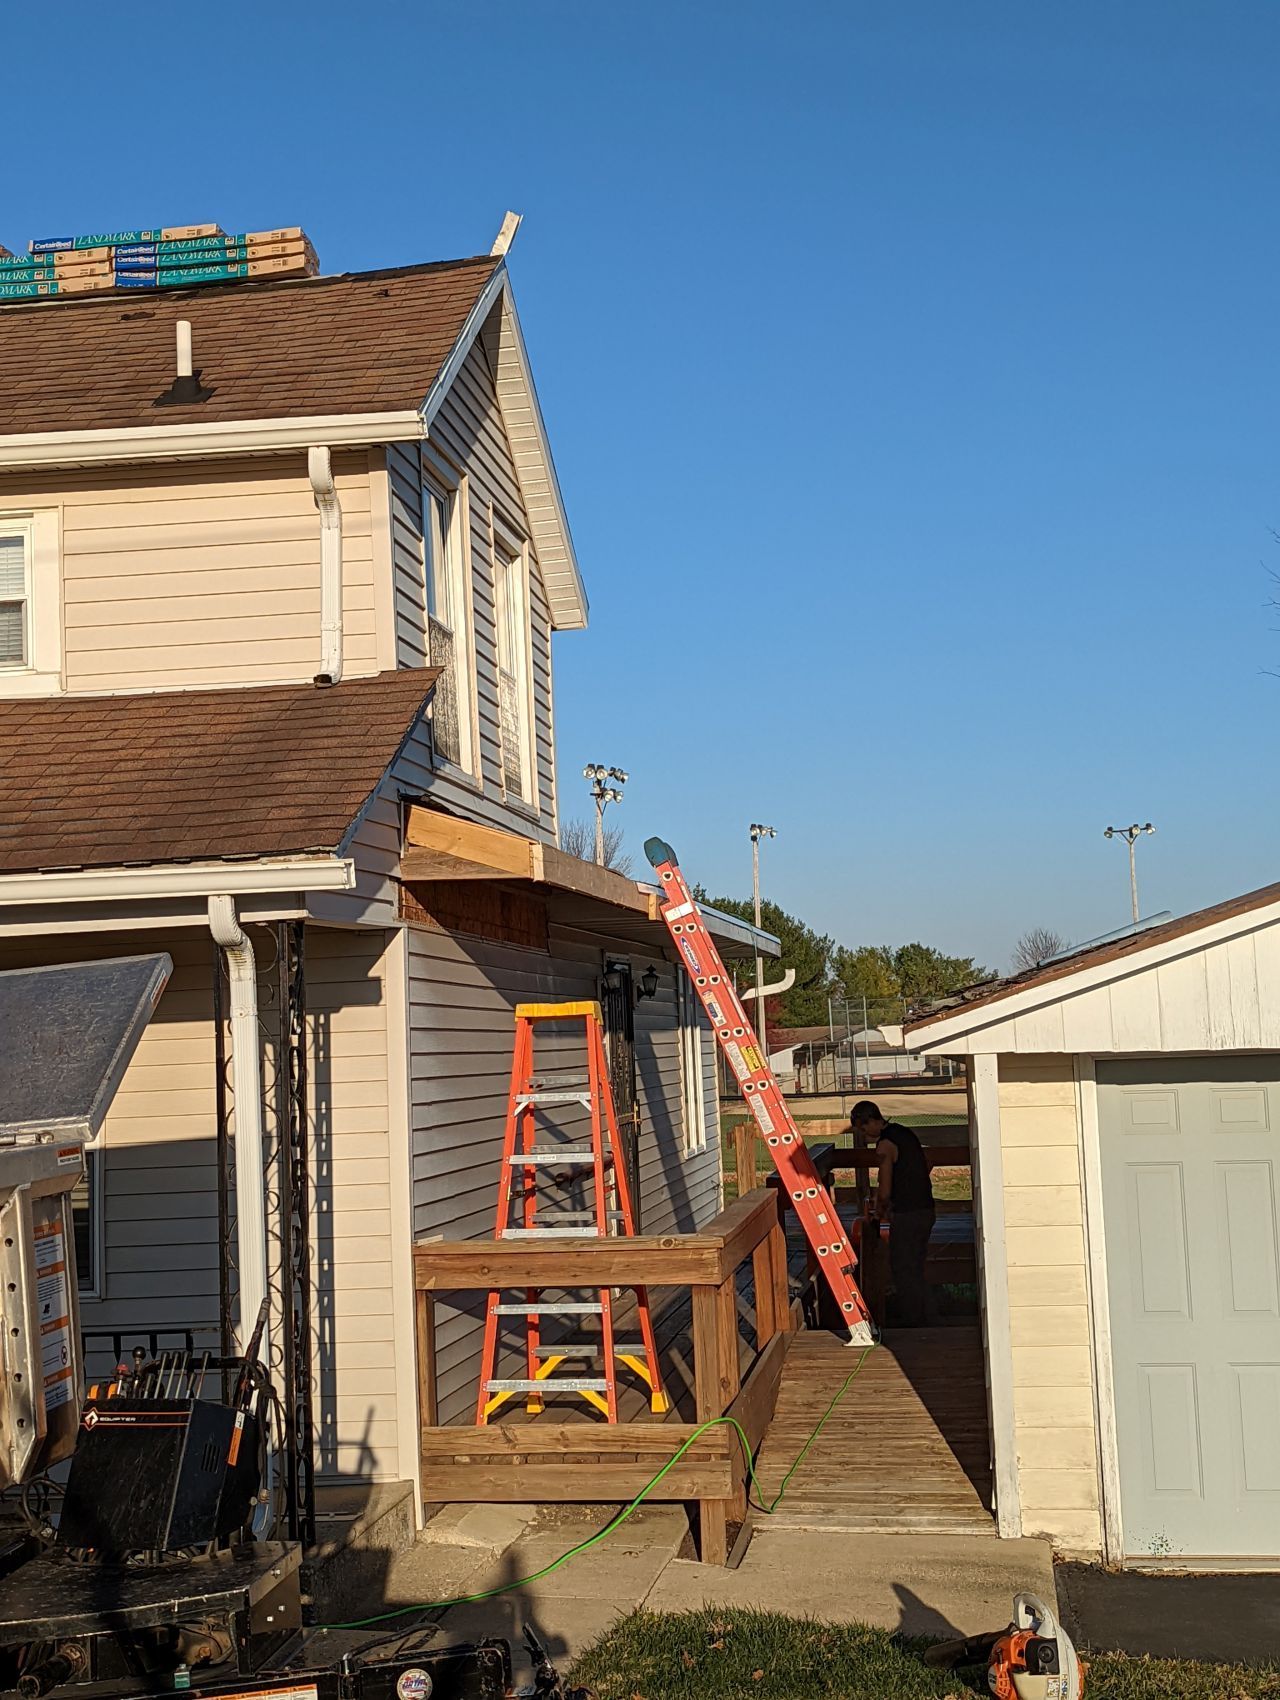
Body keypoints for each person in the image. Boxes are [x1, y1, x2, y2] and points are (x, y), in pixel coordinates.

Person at [850, 1100, 935, 1327]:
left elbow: (885, 1189)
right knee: (917, 1265)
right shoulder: (905, 1133)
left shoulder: (885, 1145)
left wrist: (878, 1210)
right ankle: (926, 1316)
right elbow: (928, 1163)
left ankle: (912, 1322)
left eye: (862, 1127)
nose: (863, 1133)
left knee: (902, 1267)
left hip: (908, 1213)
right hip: (926, 1209)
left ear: (870, 1121)